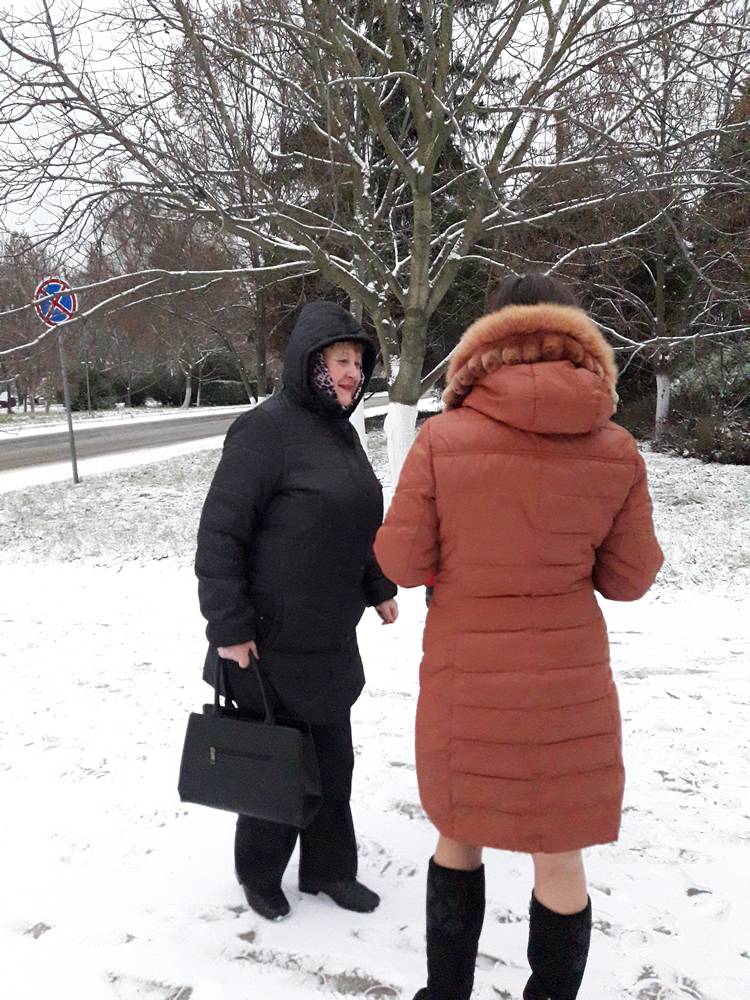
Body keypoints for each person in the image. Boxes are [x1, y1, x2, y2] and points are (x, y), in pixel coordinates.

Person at [374, 274, 663, 1000]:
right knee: (559, 854)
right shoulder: (616, 449)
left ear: (488, 339)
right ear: (579, 340)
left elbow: (401, 561)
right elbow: (630, 579)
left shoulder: (442, 440)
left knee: (458, 834)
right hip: (568, 690)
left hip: (468, 679)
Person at [195, 300, 398, 922]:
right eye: (341, 361)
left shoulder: (342, 434)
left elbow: (354, 524)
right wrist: (229, 627)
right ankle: (259, 874)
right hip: (270, 640)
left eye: (359, 363)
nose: (352, 373)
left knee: (334, 762)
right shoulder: (263, 431)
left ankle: (330, 871)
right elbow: (221, 534)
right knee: (278, 764)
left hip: (330, 637)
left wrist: (378, 585)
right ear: (310, 363)